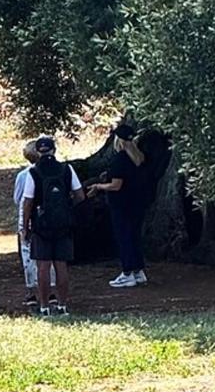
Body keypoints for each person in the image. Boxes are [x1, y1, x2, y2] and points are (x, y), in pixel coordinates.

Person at [22, 136, 85, 315]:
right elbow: (80, 195)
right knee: (61, 265)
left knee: (43, 266)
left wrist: (25, 226)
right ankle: (62, 306)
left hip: (42, 225)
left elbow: (28, 202)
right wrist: (67, 206)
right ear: (54, 150)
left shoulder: (33, 172)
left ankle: (44, 307)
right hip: (63, 223)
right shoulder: (66, 169)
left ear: (37, 152)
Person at [88, 124, 148, 288]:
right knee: (134, 236)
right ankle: (138, 271)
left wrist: (98, 186)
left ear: (119, 141)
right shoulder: (139, 158)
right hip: (137, 203)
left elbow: (116, 185)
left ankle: (127, 272)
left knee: (124, 237)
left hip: (121, 205)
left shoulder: (120, 159)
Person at [13, 140, 57, 306]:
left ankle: (31, 291)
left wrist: (24, 225)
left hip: (29, 217)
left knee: (28, 255)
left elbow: (18, 199)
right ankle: (51, 291)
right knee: (50, 256)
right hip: (49, 216)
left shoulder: (23, 175)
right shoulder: (55, 171)